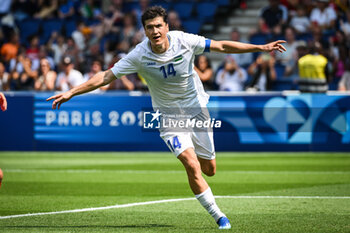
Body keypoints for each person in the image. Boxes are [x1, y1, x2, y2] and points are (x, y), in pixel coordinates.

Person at [47, 6, 286, 229]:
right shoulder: (139, 54)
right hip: (168, 118)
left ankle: (211, 190)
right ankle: (219, 216)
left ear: (166, 27)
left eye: (159, 26)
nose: (155, 31)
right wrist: (71, 92)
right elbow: (106, 76)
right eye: (150, 27)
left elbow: (221, 46)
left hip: (197, 110)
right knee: (192, 166)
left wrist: (261, 48)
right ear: (145, 31)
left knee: (210, 169)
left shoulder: (185, 41)